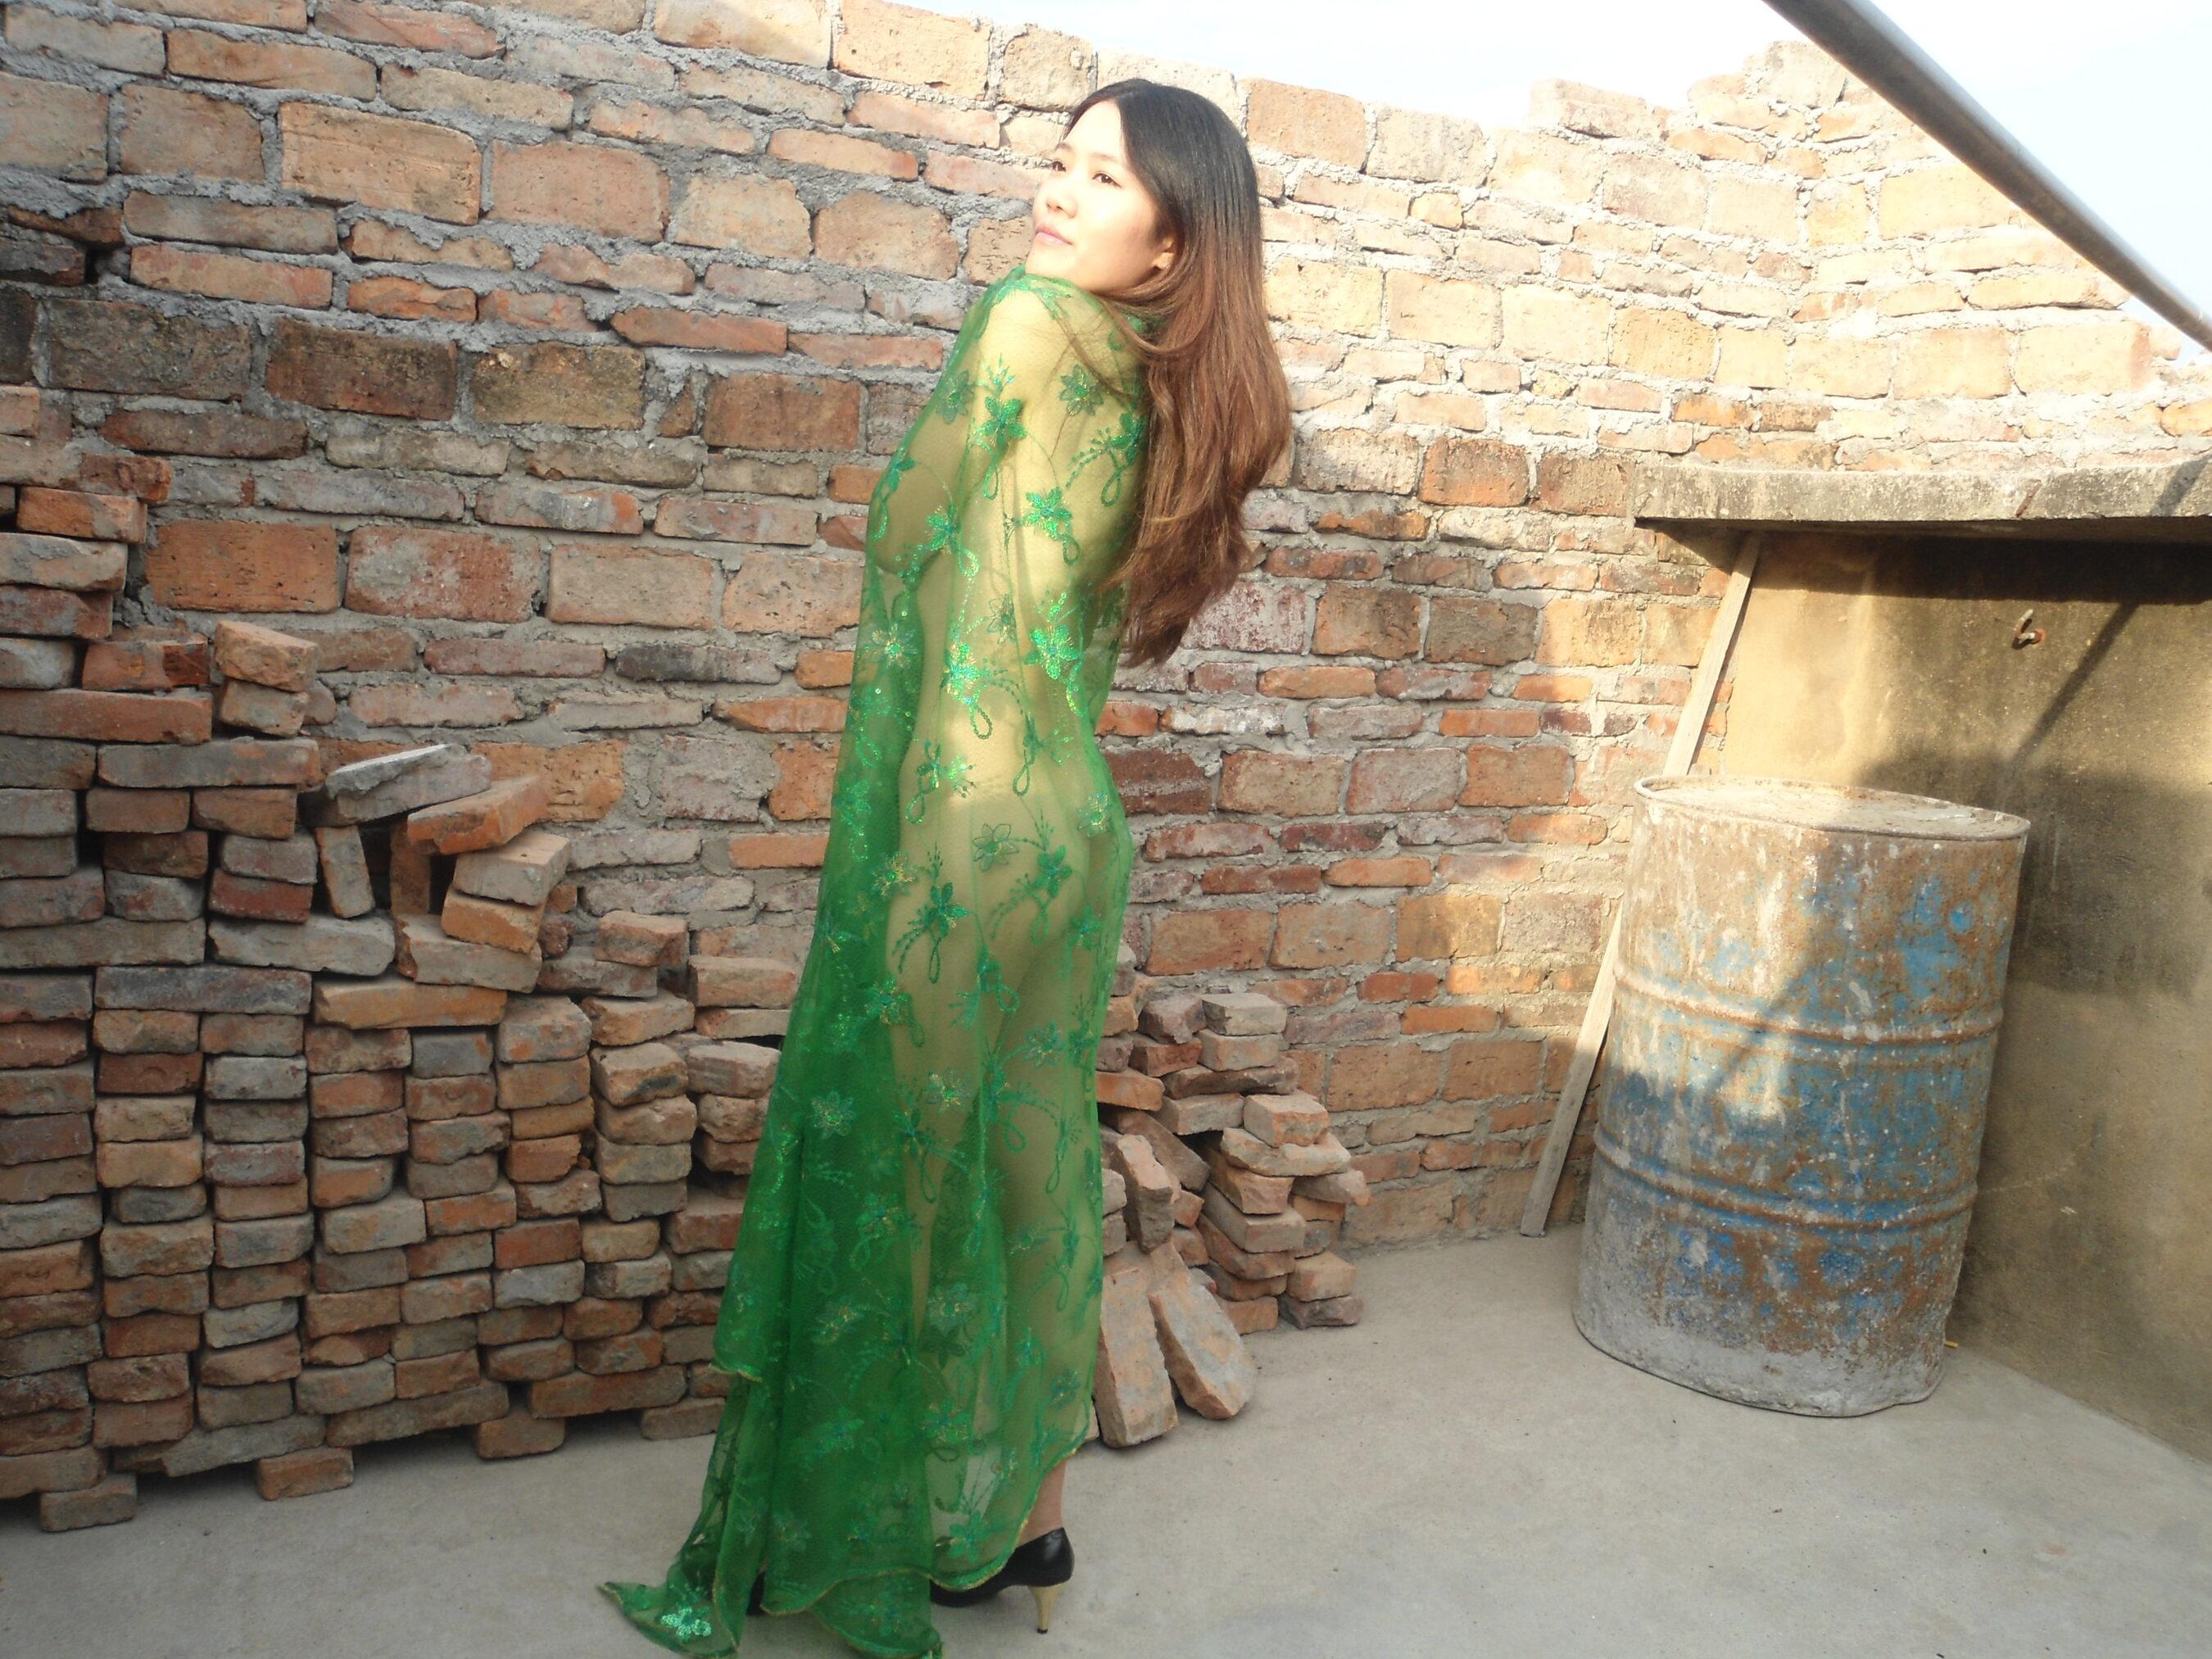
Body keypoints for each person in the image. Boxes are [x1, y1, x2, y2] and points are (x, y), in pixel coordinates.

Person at [598, 76, 1290, 1659]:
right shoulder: (1172, 388)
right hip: (1072, 833)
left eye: (1101, 176)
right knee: (1032, 1176)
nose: (1056, 191)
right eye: (1059, 159)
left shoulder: (1031, 323)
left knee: (883, 1180)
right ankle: (1030, 1524)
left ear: (1172, 243)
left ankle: (843, 1530)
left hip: (970, 826)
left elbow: (907, 519)